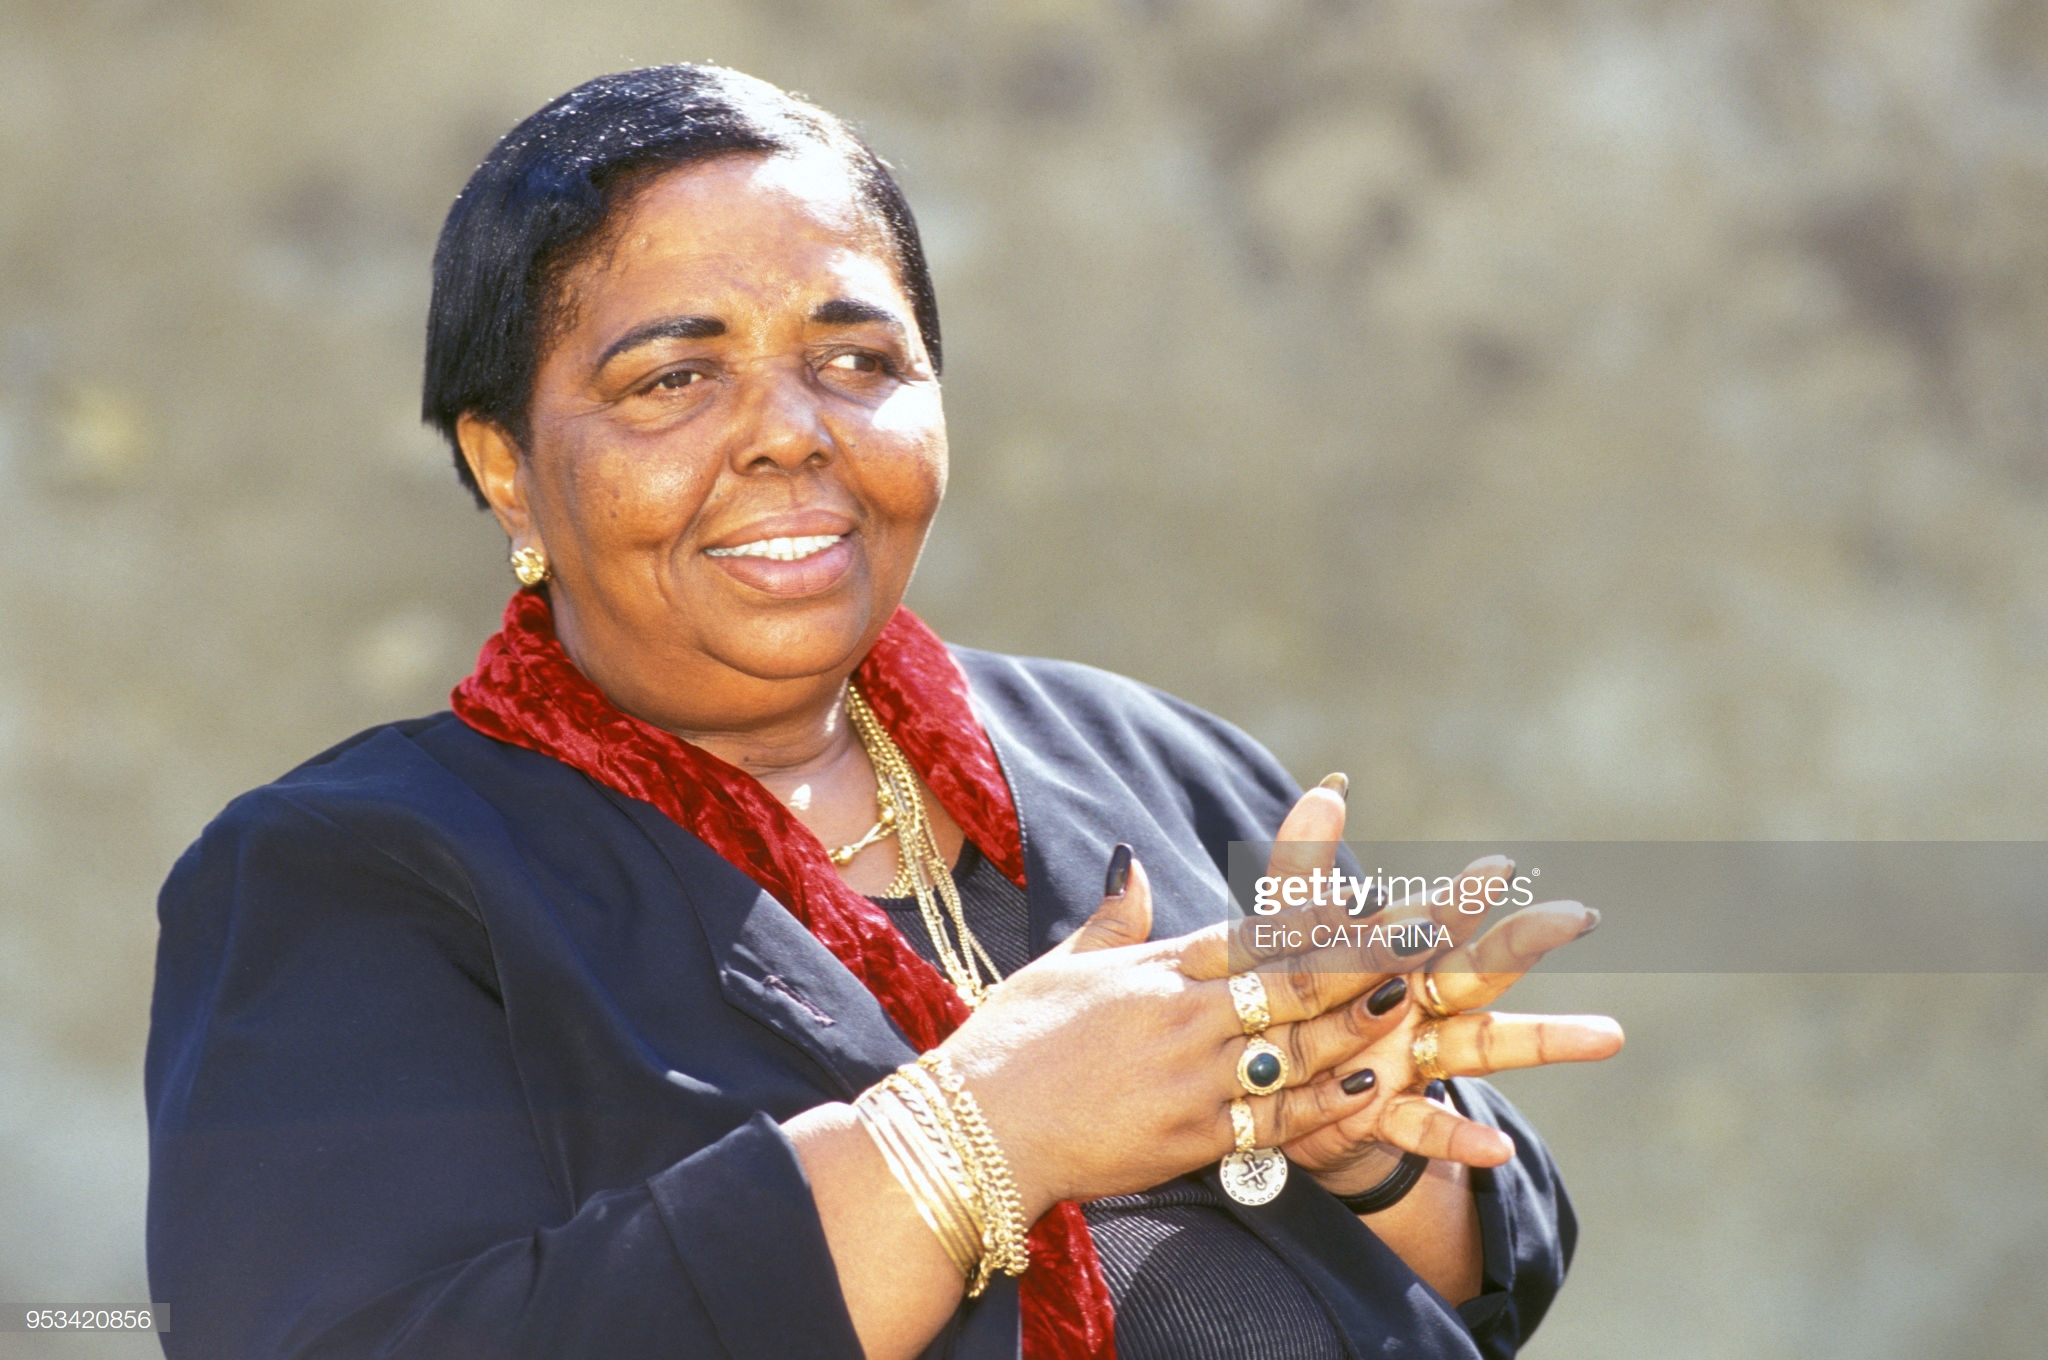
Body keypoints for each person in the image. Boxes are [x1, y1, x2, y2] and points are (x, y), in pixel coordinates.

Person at [144, 65, 1623, 1360]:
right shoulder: (358, 881)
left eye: (858, 361)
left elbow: (1494, 1271)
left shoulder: (1146, 760)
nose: (791, 431)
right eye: (673, 376)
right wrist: (976, 1130)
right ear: (508, 465)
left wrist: (1364, 1144)